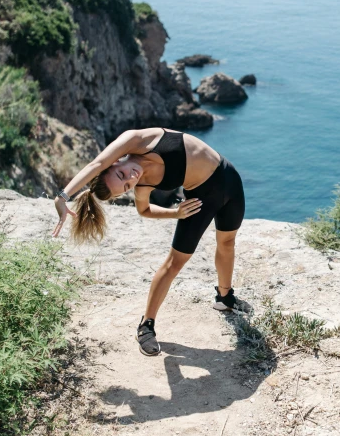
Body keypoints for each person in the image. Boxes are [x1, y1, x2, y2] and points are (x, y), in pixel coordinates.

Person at [52, 128, 249, 356]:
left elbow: (95, 164)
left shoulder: (138, 140)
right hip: (199, 200)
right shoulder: (144, 184)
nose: (131, 178)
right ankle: (146, 325)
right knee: (174, 263)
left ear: (114, 162)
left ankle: (225, 297)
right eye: (126, 186)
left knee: (227, 243)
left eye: (121, 175)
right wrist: (176, 213)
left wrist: (63, 196)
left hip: (230, 179)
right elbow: (144, 209)